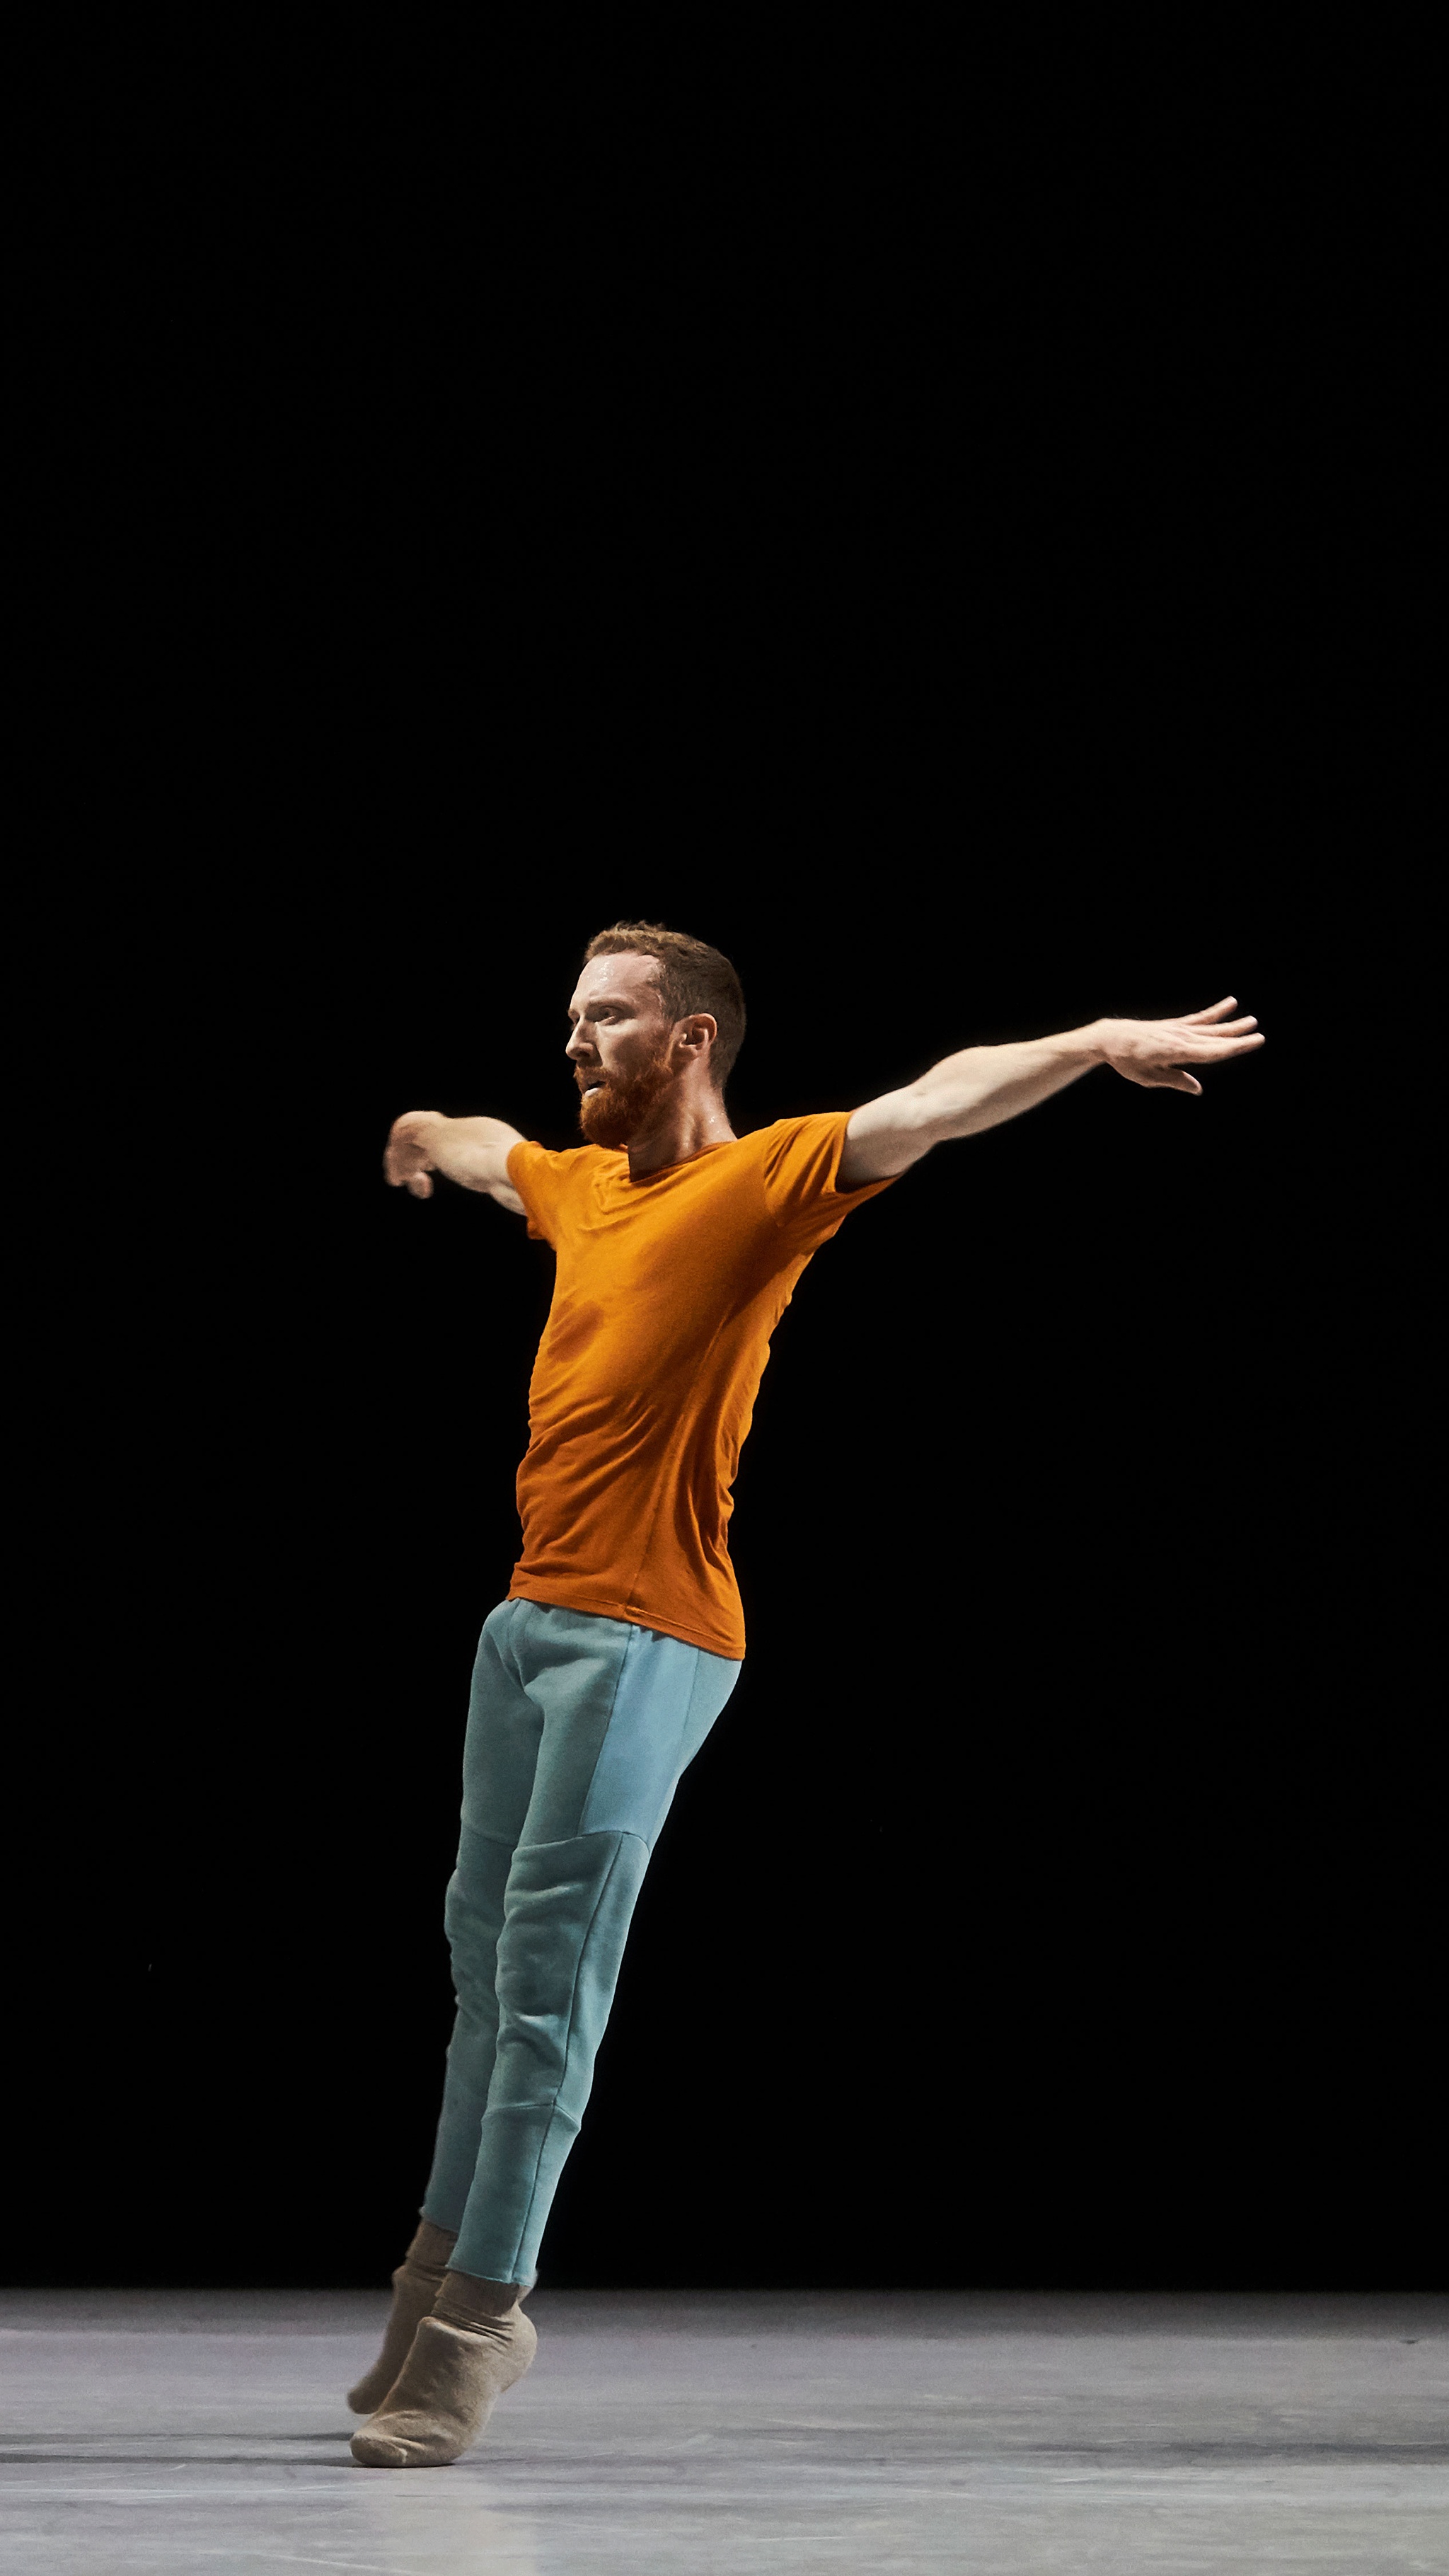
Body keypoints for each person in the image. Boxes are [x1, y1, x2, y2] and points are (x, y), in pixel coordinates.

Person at [350, 919, 1264, 2469]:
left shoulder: (762, 1182)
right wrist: (418, 1135)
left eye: (608, 1018)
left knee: (549, 1980)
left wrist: (1089, 1037)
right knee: (480, 1967)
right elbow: (489, 1139)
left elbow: (932, 1099)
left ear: (688, 1038)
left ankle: (483, 2316)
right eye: (571, 1016)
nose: (577, 1041)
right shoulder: (584, 1191)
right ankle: (426, 2291)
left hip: (653, 1632)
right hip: (526, 1625)